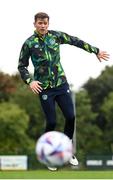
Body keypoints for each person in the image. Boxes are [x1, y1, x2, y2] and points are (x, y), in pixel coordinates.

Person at [18, 12, 109, 171]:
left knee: (71, 116)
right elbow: (22, 65)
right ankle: (48, 156)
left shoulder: (56, 36)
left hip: (61, 83)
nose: (43, 25)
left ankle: (67, 149)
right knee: (52, 121)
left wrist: (95, 50)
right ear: (35, 24)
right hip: (44, 87)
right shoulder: (29, 43)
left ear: (48, 24)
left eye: (45, 23)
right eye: (40, 23)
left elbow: (75, 41)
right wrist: (30, 81)